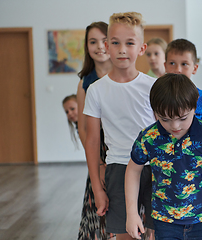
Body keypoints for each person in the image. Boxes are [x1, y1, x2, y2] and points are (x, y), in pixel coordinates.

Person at [125, 73, 202, 240]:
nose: (174, 126)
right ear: (154, 112)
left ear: (194, 107)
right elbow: (132, 172)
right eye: (165, 119)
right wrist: (132, 213)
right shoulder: (148, 137)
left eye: (182, 118)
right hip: (164, 221)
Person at [83, 12, 156, 240]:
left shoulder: (154, 87)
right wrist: (97, 188)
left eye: (129, 43)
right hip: (119, 169)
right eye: (115, 43)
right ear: (107, 46)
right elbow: (92, 141)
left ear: (141, 48)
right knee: (125, 234)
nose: (122, 49)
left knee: (158, 233)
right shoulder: (96, 90)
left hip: (156, 168)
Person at [76, 21, 113, 240]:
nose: (100, 46)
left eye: (105, 40)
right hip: (98, 155)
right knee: (99, 212)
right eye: (93, 41)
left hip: (126, 154)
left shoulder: (124, 75)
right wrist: (98, 164)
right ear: (87, 47)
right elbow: (83, 128)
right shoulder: (85, 83)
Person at [165, 39, 202, 127]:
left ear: (195, 68)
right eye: (172, 63)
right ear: (165, 66)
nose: (178, 69)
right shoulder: (158, 97)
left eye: (184, 64)